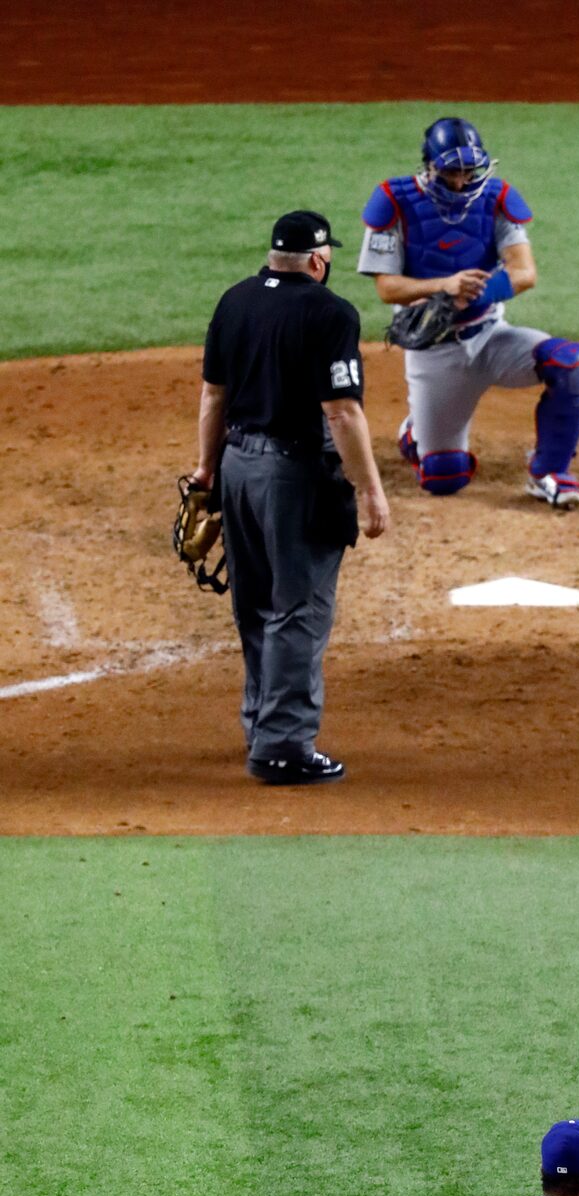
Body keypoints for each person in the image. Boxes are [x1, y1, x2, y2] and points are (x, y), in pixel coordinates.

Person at [192, 209, 390, 783]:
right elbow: (342, 410)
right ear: (318, 259)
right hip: (294, 476)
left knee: (255, 604)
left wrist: (208, 471)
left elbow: (212, 397)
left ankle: (261, 724)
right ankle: (282, 746)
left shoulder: (235, 300)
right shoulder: (330, 312)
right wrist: (370, 490)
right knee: (298, 612)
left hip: (237, 469)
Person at [358, 118, 579, 509]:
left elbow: (524, 273)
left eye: (469, 171)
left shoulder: (495, 198)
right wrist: (444, 287)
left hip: (490, 335)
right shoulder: (394, 201)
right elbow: (388, 287)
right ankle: (417, 432)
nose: (460, 181)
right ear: (429, 165)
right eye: (451, 171)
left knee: (573, 363)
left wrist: (476, 294)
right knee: (445, 476)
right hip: (434, 350)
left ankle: (549, 472)